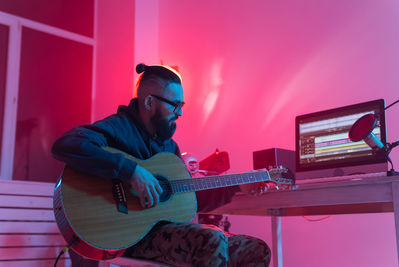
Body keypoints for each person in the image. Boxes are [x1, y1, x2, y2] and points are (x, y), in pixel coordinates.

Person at [52, 63, 271, 267]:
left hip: (164, 233)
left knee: (256, 249)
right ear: (149, 102)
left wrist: (238, 187)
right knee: (211, 239)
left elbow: (187, 200)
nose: (180, 113)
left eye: (182, 105)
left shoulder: (169, 148)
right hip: (124, 235)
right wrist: (132, 171)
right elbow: (67, 144)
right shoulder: (119, 128)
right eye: (175, 105)